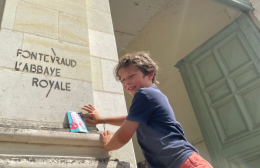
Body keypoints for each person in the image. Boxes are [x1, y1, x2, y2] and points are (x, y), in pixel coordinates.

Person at [81, 52, 212, 168]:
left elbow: (123, 136)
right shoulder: (151, 95)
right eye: (123, 80)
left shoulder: (144, 94)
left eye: (131, 76)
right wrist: (102, 120)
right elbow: (130, 119)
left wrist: (107, 145)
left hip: (182, 162)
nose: (126, 82)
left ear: (150, 74)